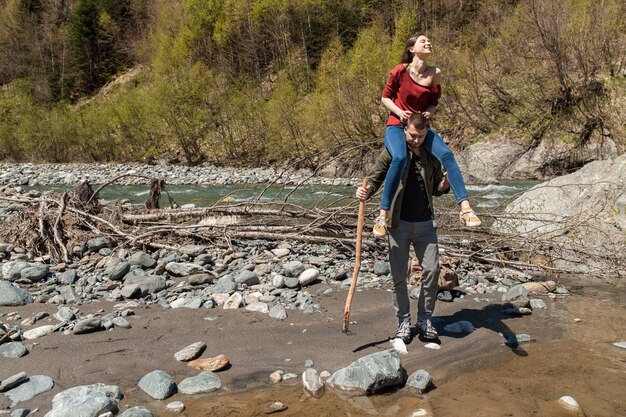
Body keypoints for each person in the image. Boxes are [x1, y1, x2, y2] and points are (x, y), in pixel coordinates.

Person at [374, 34, 481, 238]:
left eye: (429, 40)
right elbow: (385, 97)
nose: (428, 42)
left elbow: (433, 102)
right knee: (399, 157)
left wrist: (429, 113)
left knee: (447, 155)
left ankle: (466, 209)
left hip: (421, 128)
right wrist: (399, 112)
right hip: (397, 126)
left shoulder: (435, 73)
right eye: (423, 41)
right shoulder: (400, 70)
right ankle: (382, 215)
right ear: (412, 49)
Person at [357, 113, 447, 343]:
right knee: (399, 276)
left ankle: (425, 320)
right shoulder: (394, 151)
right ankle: (404, 321)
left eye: (421, 136)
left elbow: (436, 187)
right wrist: (364, 191)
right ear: (405, 129)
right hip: (398, 224)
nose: (416, 140)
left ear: (427, 133)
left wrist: (444, 184)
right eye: (413, 135)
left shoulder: (431, 153)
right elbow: (374, 179)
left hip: (426, 223)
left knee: (431, 272)